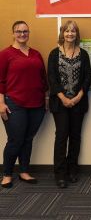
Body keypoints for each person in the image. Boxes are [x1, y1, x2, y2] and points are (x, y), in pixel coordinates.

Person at [0, 21, 48, 188]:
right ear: (13, 33)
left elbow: (43, 79)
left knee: (28, 139)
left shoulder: (36, 54)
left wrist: (46, 99)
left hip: (37, 104)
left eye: (25, 31)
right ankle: (6, 174)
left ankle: (24, 171)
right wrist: (1, 103)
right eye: (18, 31)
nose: (22, 34)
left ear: (29, 33)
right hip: (14, 104)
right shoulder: (5, 54)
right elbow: (1, 81)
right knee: (15, 139)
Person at [48, 20, 91, 188]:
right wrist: (63, 98)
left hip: (78, 103)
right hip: (60, 104)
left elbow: (87, 78)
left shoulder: (83, 54)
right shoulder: (54, 54)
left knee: (75, 137)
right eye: (67, 31)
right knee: (61, 137)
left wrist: (78, 96)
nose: (70, 34)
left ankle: (72, 169)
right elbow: (51, 77)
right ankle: (60, 173)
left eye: (73, 31)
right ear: (62, 33)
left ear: (76, 34)